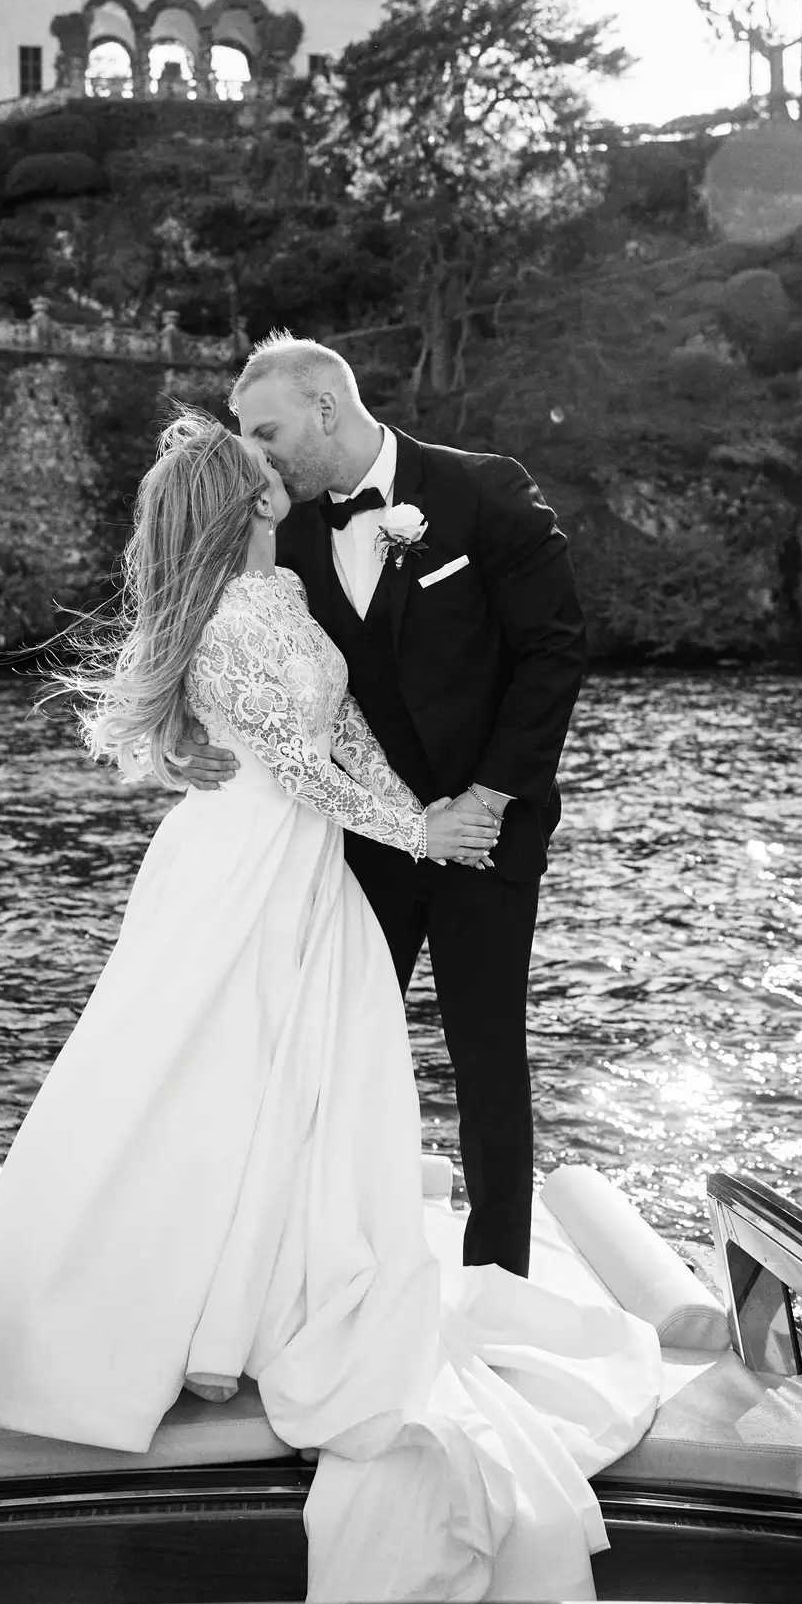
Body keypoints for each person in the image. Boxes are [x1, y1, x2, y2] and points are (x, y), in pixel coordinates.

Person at [0, 408, 659, 1604]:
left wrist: (432, 810)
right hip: (248, 861)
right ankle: (174, 1314)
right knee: (205, 1078)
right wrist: (420, 826)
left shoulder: (275, 595)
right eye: (257, 466)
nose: (274, 467)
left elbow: (352, 743)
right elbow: (292, 765)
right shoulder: (231, 618)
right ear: (245, 504)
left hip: (305, 859)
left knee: (295, 1084)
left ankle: (248, 1293)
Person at [177, 334, 585, 1280]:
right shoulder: (281, 532)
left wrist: (486, 799)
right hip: (358, 838)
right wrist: (186, 728)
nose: (257, 453)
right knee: (333, 1051)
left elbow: (553, 653)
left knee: (488, 1056)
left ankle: (498, 1279)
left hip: (485, 830)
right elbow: (234, 648)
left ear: (326, 408)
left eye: (267, 429)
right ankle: (316, 1265)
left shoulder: (483, 492)